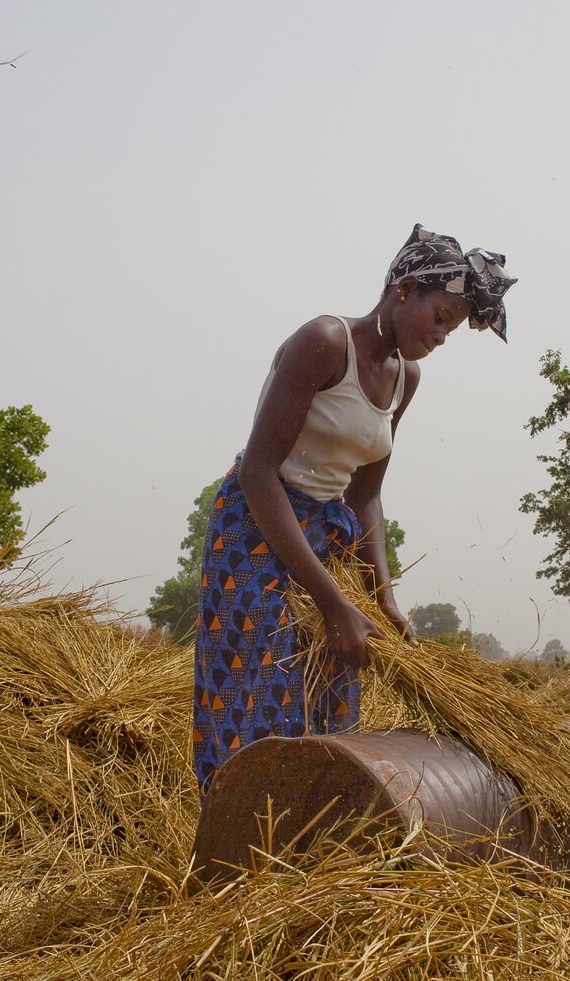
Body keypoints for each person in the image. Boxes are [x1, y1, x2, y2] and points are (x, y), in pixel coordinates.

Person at [192, 225, 516, 794]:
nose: (442, 337)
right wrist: (332, 601)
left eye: (453, 329)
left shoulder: (404, 380)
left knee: (332, 696)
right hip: (257, 529)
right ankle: (240, 845)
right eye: (440, 318)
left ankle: (317, 854)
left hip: (326, 538)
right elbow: (259, 472)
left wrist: (381, 594)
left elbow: (365, 494)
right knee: (260, 697)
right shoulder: (324, 342)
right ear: (405, 290)